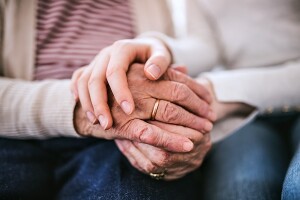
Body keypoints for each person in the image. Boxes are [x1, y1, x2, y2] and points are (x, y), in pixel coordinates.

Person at [73, 0, 300, 199]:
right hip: (244, 115)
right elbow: (205, 44)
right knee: (243, 190)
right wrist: (160, 48)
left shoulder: (216, 94)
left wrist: (214, 91)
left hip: (240, 97)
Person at [0, 0, 213, 199]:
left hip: (121, 138)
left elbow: (206, 46)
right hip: (13, 130)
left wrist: (159, 46)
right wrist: (81, 107)